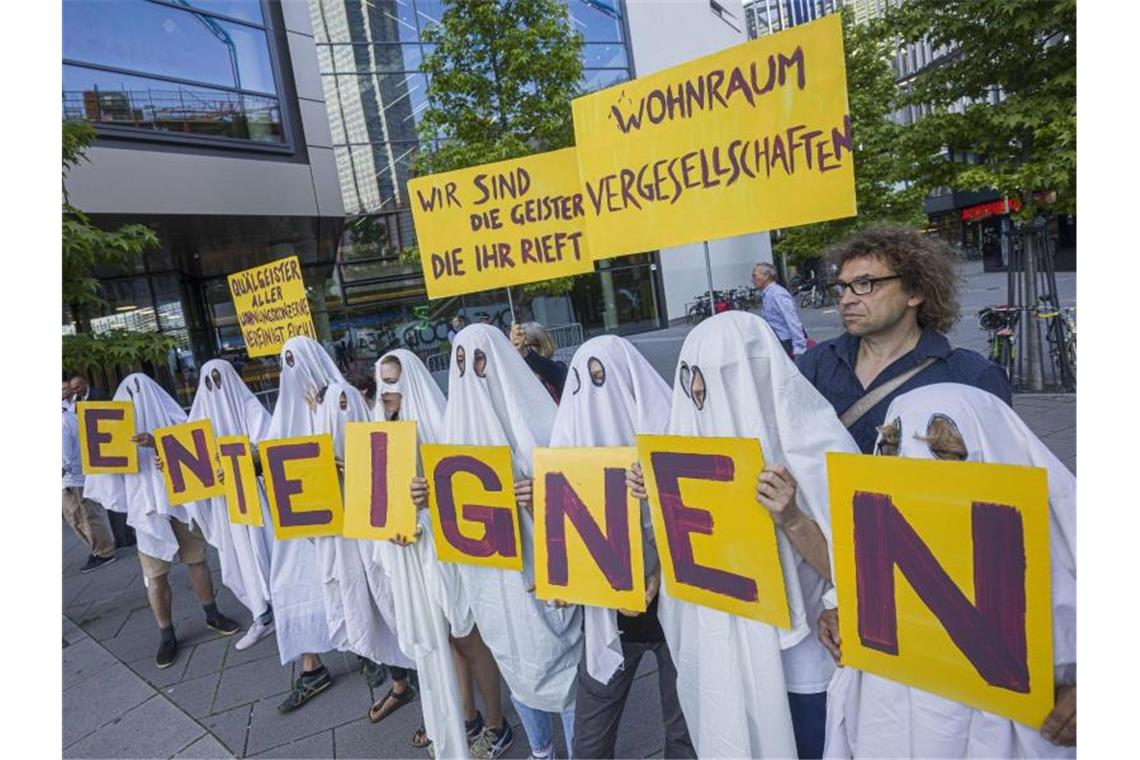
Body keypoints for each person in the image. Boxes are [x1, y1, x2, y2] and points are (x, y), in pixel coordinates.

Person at [628, 311, 860, 758]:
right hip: (728, 660)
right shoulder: (685, 440)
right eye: (690, 377)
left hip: (805, 663)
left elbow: (856, 570)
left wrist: (792, 517)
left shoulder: (819, 446)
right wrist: (655, 498)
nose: (698, 391)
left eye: (715, 378)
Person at [821, 384, 1076, 757]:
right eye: (893, 448)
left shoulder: (1063, 545)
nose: (915, 469)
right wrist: (840, 611)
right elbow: (856, 587)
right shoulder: (876, 522)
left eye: (942, 452)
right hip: (888, 722)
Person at [439, 324, 581, 759]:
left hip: (547, 574)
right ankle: (541, 749)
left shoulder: (547, 423)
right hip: (494, 579)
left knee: (569, 670)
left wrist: (543, 497)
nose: (472, 370)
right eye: (461, 362)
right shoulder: (453, 436)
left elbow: (584, 494)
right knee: (516, 664)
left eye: (480, 359)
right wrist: (427, 498)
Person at [551, 336, 695, 760]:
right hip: (609, 623)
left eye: (603, 378)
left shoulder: (677, 434)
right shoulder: (564, 454)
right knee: (591, 741)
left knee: (684, 731)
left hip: (676, 614)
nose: (597, 395)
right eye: (582, 382)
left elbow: (712, 529)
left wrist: (660, 575)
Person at [796, 225, 1012, 454]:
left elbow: (1002, 468)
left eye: (865, 284)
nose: (846, 299)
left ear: (914, 292)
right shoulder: (815, 365)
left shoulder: (972, 377)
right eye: (842, 287)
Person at [82, 374, 241, 669]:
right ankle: (166, 634)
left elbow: (191, 442)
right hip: (147, 508)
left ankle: (212, 613)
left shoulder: (171, 417)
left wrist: (159, 445)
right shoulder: (114, 426)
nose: (137, 396)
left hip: (179, 499)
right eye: (130, 392)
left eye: (142, 390)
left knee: (196, 560)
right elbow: (105, 466)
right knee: (155, 575)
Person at [374, 350, 473, 758]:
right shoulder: (379, 431)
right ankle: (443, 727)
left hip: (440, 554)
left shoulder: (438, 425)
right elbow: (375, 500)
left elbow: (464, 485)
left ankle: (470, 719)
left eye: (394, 382)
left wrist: (429, 500)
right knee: (432, 649)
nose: (385, 393)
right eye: (381, 383)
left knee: (461, 641)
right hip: (406, 559)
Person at [314, 381, 418, 723]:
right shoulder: (320, 449)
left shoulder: (381, 435)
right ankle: (399, 684)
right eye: (336, 404)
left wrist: (362, 470)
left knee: (396, 609)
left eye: (349, 402)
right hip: (345, 546)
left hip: (384, 545)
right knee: (370, 612)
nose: (344, 410)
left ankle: (429, 694)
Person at [264, 337, 342, 712]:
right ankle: (311, 667)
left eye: (298, 361)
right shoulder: (282, 412)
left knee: (348, 579)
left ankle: (375, 656)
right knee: (292, 584)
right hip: (298, 518)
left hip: (339, 516)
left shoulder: (340, 400)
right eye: (286, 363)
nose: (292, 372)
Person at [185, 360, 276, 651]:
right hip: (226, 501)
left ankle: (282, 609)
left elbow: (269, 444)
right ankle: (261, 615)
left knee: (268, 552)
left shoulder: (250, 408)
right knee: (241, 558)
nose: (216, 390)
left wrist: (247, 459)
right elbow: (187, 456)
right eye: (208, 383)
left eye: (219, 380)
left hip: (258, 495)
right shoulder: (199, 419)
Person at [70, 372, 137, 549]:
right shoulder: (77, 401)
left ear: (84, 383)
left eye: (77, 387)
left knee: (115, 491)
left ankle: (126, 536)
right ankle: (121, 537)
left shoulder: (99, 395)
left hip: (109, 448)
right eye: (72, 389)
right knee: (108, 494)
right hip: (97, 450)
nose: (75, 391)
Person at [62, 400, 117, 573]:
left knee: (85, 517)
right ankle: (99, 550)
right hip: (75, 477)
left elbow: (64, 457)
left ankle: (104, 552)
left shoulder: (62, 421)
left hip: (73, 479)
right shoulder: (69, 417)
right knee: (81, 518)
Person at [752, 262, 808, 358]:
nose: (752, 280)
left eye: (755, 275)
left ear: (766, 276)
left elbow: (792, 319)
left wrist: (799, 347)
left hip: (786, 341)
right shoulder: (767, 294)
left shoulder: (777, 293)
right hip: (778, 341)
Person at [510, 321, 568, 402]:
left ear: (542, 345)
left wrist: (526, 353)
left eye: (525, 346)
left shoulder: (558, 368)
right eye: (515, 346)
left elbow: (548, 369)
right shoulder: (518, 374)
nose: (518, 350)